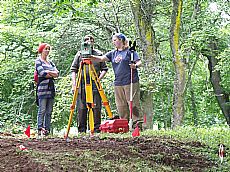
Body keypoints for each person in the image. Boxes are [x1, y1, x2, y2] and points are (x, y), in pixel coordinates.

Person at [90, 33, 142, 127]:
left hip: (130, 81)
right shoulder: (113, 53)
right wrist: (90, 57)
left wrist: (135, 66)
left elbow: (139, 62)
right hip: (118, 82)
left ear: (121, 40)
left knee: (133, 103)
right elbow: (102, 59)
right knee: (121, 105)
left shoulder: (130, 51)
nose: (113, 42)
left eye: (115, 40)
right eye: (113, 40)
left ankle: (137, 124)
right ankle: (124, 125)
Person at [71, 35, 108, 133]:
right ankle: (82, 130)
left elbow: (104, 69)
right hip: (81, 83)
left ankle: (96, 129)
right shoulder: (79, 54)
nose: (89, 41)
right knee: (81, 107)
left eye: (91, 40)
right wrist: (74, 85)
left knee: (96, 106)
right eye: (87, 40)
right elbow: (74, 70)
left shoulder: (98, 54)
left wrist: (98, 79)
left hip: (94, 83)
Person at [35, 43, 59, 136]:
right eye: (46, 49)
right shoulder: (38, 61)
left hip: (51, 88)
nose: (47, 51)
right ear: (41, 50)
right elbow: (42, 73)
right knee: (42, 110)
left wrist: (49, 72)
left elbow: (57, 73)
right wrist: (50, 72)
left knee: (49, 111)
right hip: (42, 88)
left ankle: (47, 130)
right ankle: (40, 129)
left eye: (49, 49)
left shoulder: (51, 62)